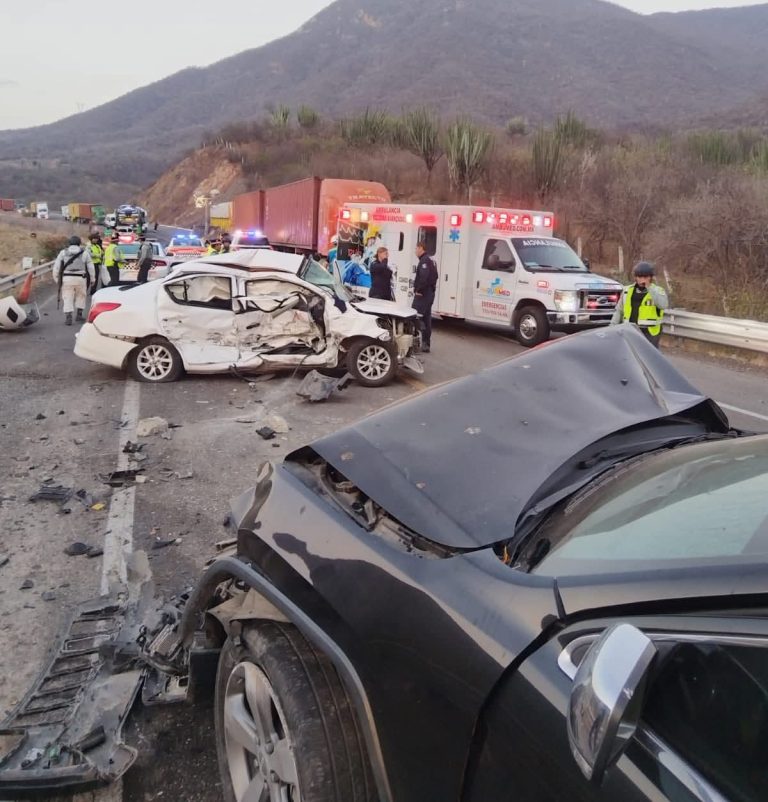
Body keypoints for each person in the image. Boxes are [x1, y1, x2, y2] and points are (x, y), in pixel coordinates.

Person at [611, 261, 669, 348]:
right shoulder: (627, 290)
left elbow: (663, 305)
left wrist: (649, 287)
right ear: (636, 277)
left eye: (645, 277)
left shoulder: (658, 291)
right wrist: (612, 327)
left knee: (648, 358)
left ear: (650, 277)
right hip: (630, 330)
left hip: (650, 332)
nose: (642, 279)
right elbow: (619, 310)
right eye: (639, 276)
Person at [52, 236, 95, 326]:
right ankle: (79, 315)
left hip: (67, 278)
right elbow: (91, 267)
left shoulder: (63, 253)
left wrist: (57, 280)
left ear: (69, 243)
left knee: (67, 297)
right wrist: (92, 279)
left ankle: (68, 317)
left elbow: (56, 267)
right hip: (81, 278)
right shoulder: (85, 253)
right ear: (79, 243)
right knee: (81, 296)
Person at [412, 241, 438, 352]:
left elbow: (424, 277)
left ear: (421, 248)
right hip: (429, 294)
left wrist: (419, 290)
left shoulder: (424, 261)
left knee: (415, 317)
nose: (415, 251)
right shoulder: (431, 260)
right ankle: (426, 344)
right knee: (427, 319)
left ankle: (415, 343)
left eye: (416, 248)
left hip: (423, 294)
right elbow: (435, 276)